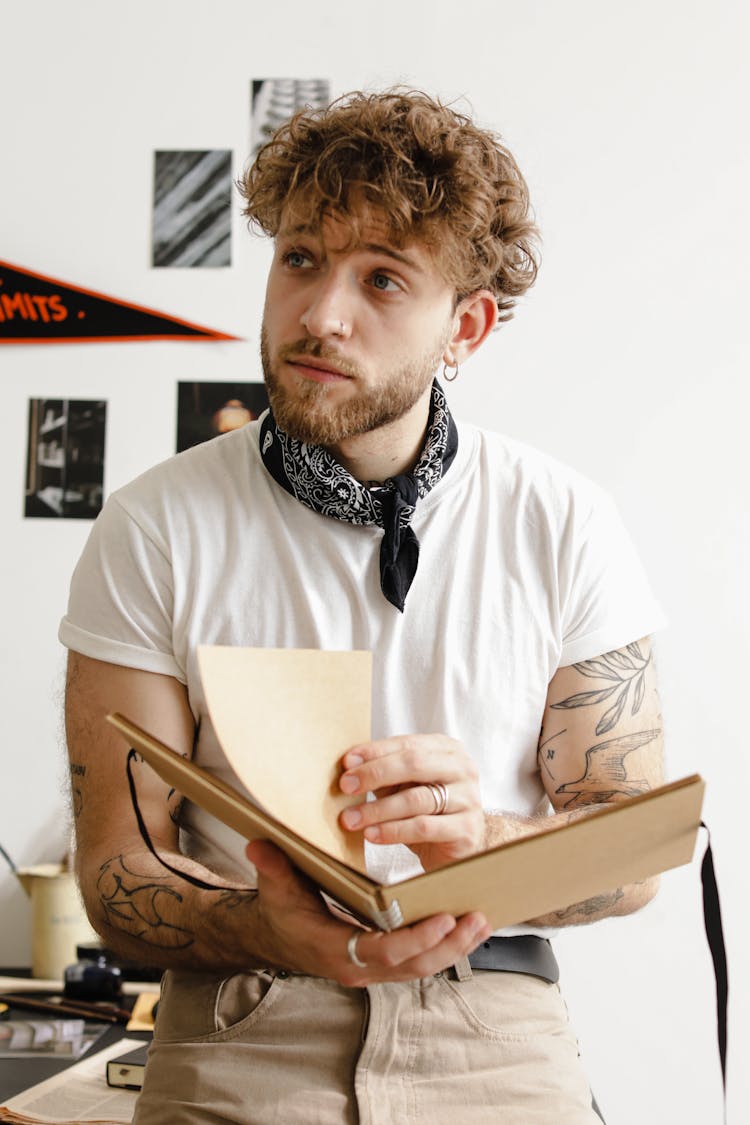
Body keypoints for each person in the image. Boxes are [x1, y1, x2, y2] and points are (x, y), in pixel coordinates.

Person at [60, 90, 665, 1124]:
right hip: (245, 1021)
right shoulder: (154, 524)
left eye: (382, 278)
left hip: (497, 1025)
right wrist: (266, 927)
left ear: (464, 326)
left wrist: (487, 848)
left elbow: (630, 846)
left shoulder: (565, 521)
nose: (320, 314)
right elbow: (120, 864)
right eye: (300, 259)